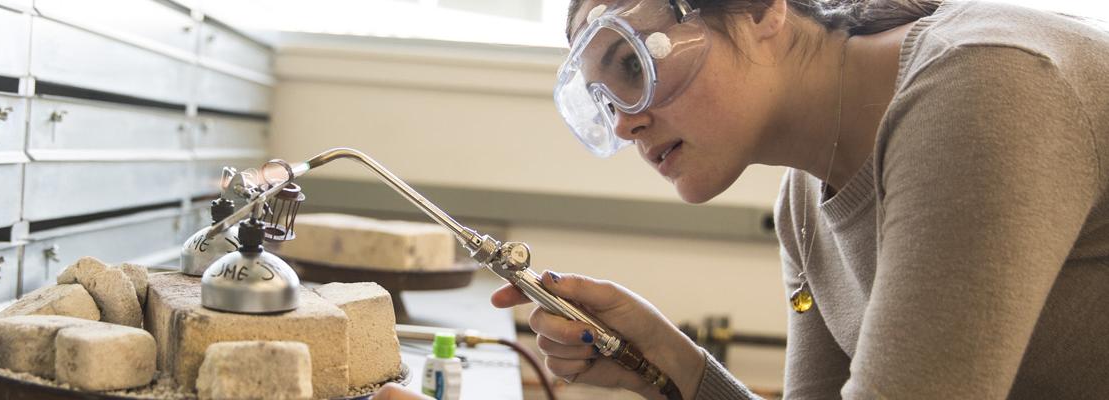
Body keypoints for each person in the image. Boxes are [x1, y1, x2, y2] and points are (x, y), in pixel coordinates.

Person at [377, 0, 1109, 398]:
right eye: (598, 100)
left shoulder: (985, 87)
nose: (627, 122)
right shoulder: (803, 203)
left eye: (632, 62)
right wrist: (667, 362)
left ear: (762, 10)